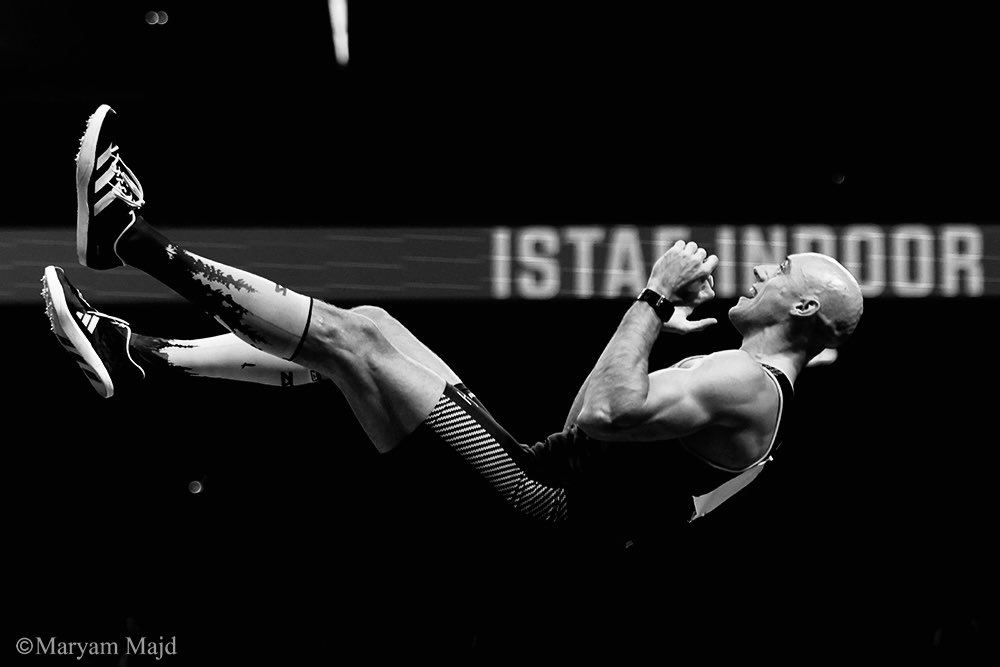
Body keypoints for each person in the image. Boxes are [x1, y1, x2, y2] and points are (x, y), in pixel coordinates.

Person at [45, 103, 864, 548]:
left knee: (353, 343)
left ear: (800, 308)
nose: (762, 270)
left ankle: (127, 238)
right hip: (538, 481)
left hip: (531, 505)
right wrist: (683, 314)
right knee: (371, 322)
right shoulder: (756, 386)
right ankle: (144, 357)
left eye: (780, 271)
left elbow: (601, 415)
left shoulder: (747, 385)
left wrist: (651, 299)